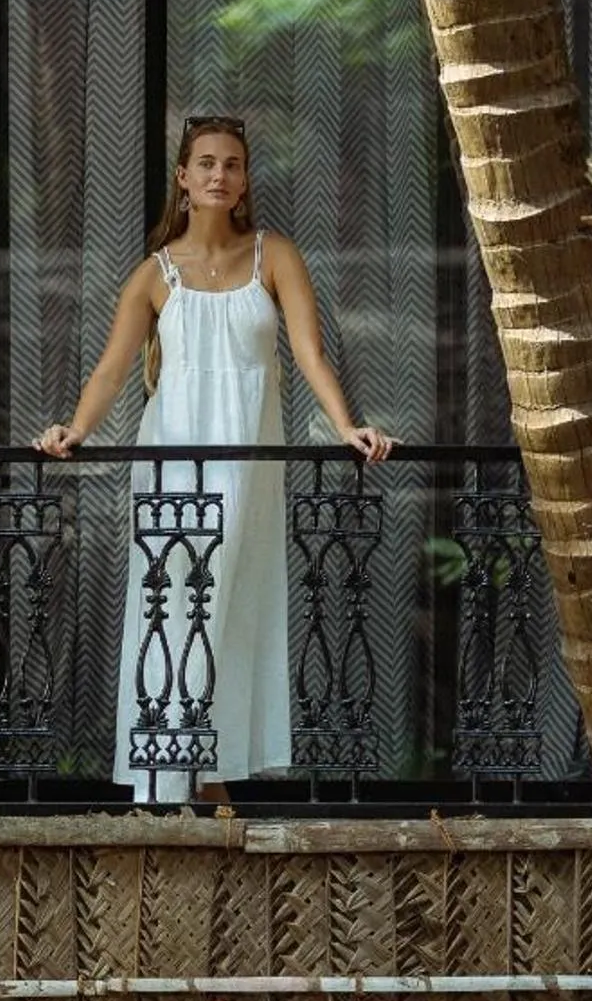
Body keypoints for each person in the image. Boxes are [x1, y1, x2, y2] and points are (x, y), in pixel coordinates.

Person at [34, 114, 393, 803]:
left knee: (233, 599)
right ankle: (172, 772)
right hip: (171, 456)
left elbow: (309, 354)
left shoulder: (273, 255)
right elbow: (110, 370)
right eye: (205, 163)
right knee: (171, 605)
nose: (218, 174)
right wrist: (72, 429)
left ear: (243, 179)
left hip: (247, 460)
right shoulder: (153, 274)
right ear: (182, 177)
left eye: (231, 164)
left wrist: (346, 424)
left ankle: (208, 766)